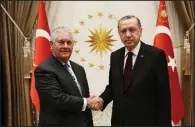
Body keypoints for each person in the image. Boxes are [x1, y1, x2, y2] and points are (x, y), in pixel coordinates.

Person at [91, 15, 171, 126]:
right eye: (123, 31)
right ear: (119, 34)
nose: (128, 35)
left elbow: (163, 96)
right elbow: (113, 87)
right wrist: (101, 100)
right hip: (120, 122)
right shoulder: (115, 56)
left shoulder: (156, 55)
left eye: (132, 30)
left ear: (140, 31)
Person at [34, 26, 99, 126]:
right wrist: (87, 102)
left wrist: (89, 99)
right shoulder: (44, 70)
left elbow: (80, 96)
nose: (66, 46)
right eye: (61, 42)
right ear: (51, 45)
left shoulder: (79, 69)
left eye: (69, 43)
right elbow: (57, 99)